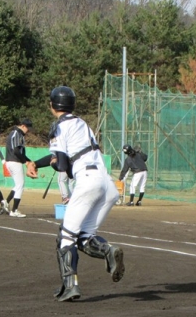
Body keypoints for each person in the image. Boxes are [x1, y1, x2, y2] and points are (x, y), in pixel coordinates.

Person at [26, 86, 125, 302]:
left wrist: (54, 163)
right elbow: (66, 155)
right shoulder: (82, 123)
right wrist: (37, 163)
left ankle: (71, 286)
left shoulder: (59, 127)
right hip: (107, 185)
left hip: (88, 182)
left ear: (52, 106)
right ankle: (108, 251)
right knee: (84, 237)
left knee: (66, 236)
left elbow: (62, 164)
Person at [3, 118, 33, 218]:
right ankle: (14, 210)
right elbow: (16, 151)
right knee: (20, 185)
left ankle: (6, 202)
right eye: (27, 128)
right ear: (23, 126)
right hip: (14, 162)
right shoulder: (17, 133)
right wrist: (25, 162)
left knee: (17, 185)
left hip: (12, 162)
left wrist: (29, 161)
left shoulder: (17, 134)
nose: (28, 131)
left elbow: (21, 153)